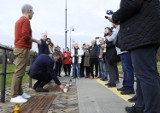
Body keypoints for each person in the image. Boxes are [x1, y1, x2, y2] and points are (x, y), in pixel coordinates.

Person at [107, 0, 160, 113]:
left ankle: (152, 110)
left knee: (146, 75)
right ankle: (140, 106)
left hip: (142, 34)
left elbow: (131, 3)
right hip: (144, 32)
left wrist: (115, 16)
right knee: (143, 74)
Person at [10, 4, 34, 103]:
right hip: (22, 48)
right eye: (32, 11)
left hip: (20, 48)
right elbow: (25, 35)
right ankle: (15, 95)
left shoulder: (20, 20)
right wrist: (36, 40)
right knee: (19, 72)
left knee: (20, 71)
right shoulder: (25, 20)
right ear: (28, 11)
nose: (33, 14)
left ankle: (20, 92)